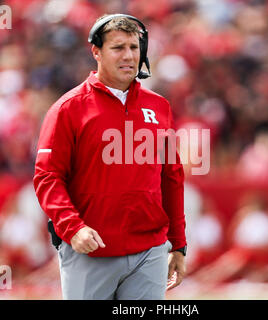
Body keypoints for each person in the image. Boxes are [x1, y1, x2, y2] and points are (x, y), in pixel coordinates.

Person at [33, 13, 187, 300]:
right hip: (90, 251)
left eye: (133, 47)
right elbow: (47, 176)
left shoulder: (160, 107)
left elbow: (171, 177)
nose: (128, 56)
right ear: (96, 52)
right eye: (118, 48)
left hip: (149, 251)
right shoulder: (68, 109)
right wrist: (72, 227)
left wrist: (178, 244)